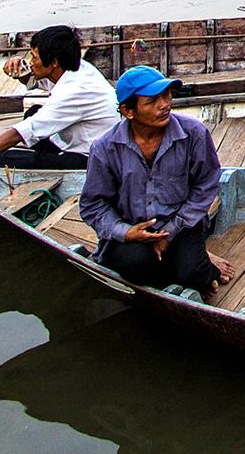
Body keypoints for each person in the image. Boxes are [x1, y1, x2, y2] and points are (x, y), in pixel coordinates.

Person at [79, 65, 233, 296]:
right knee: (135, 266)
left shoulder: (193, 134)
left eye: (166, 95)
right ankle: (197, 266)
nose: (164, 105)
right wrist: (126, 232)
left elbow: (205, 186)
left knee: (192, 273)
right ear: (128, 111)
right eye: (152, 101)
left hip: (181, 226)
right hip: (132, 228)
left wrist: (168, 234)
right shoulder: (105, 148)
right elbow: (93, 205)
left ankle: (198, 267)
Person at [0, 25, 118, 173]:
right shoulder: (74, 66)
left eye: (34, 57)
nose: (30, 62)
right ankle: (0, 153)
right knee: (33, 112)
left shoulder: (76, 90)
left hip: (93, 158)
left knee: (10, 160)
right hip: (76, 139)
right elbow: (37, 81)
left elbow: (20, 132)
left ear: (53, 62)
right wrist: (19, 72)